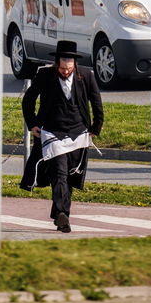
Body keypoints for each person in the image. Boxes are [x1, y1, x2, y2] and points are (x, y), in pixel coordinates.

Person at [21, 40, 104, 233]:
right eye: (62, 68)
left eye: (69, 69)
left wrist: (95, 128)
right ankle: (62, 216)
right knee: (58, 172)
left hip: (77, 132)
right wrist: (32, 124)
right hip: (52, 132)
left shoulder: (87, 76)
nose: (65, 72)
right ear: (56, 63)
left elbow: (97, 103)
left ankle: (60, 211)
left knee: (70, 175)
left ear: (74, 64)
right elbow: (28, 100)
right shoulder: (44, 75)